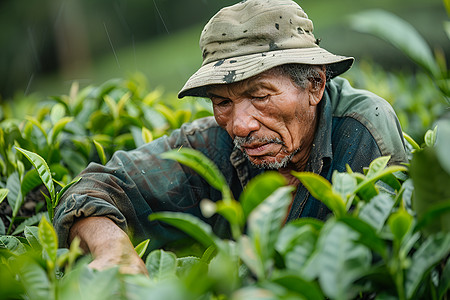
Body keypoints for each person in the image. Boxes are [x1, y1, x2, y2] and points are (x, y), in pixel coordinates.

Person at [54, 0, 407, 274]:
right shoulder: (214, 144)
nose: (239, 126)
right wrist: (113, 250)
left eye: (260, 96)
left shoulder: (363, 131)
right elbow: (97, 187)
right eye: (222, 101)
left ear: (315, 84)